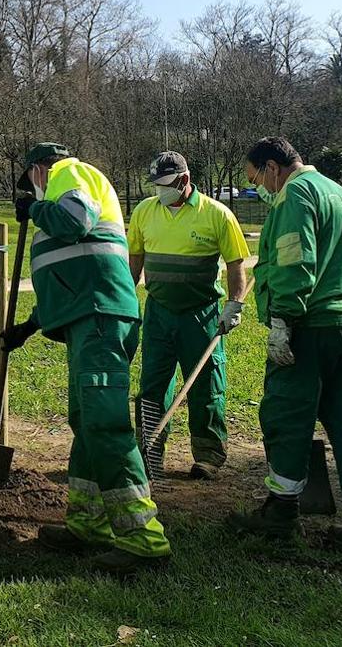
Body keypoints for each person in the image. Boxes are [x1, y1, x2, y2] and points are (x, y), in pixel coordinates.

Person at [0, 142, 169, 574]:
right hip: (88, 319)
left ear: (39, 169)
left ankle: (143, 539)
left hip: (100, 321)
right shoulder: (61, 188)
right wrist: (29, 326)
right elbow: (73, 273)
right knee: (86, 422)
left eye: (30, 183)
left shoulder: (68, 175)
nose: (33, 192)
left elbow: (76, 223)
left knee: (104, 424)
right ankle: (87, 524)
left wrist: (34, 210)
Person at [227, 137, 342, 561]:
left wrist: (282, 319)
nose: (260, 189)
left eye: (256, 179)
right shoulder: (340, 193)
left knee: (287, 413)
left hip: (311, 325)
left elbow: (293, 260)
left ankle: (282, 512)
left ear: (272, 167)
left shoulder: (294, 196)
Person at [128, 151, 250, 480]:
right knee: (153, 384)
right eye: (155, 186)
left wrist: (234, 305)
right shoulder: (144, 212)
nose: (159, 193)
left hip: (202, 314)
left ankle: (208, 456)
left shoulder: (217, 215)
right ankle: (149, 451)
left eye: (165, 186)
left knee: (206, 384)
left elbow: (237, 264)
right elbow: (134, 263)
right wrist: (125, 302)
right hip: (159, 312)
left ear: (184, 181)